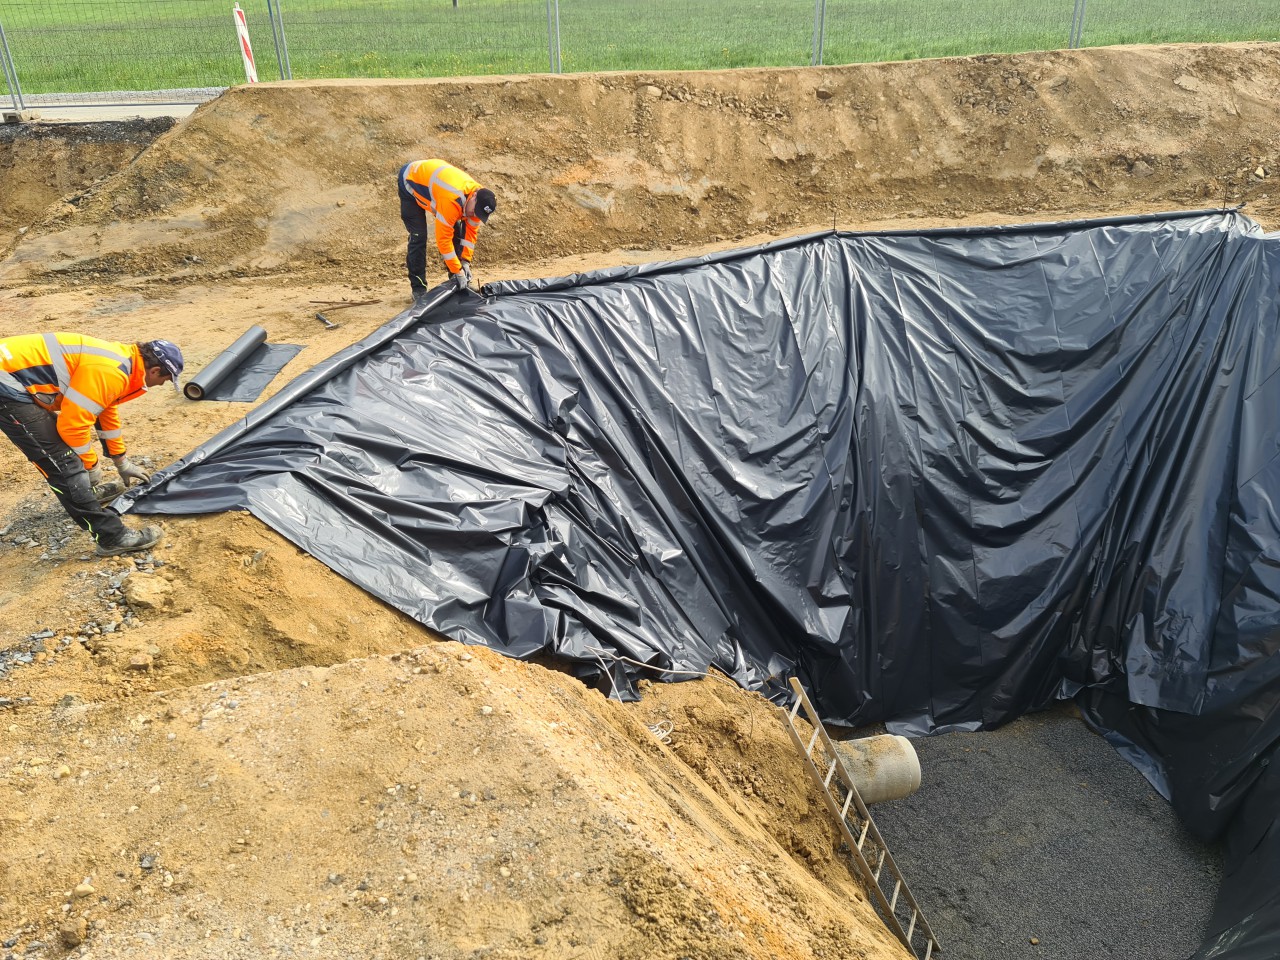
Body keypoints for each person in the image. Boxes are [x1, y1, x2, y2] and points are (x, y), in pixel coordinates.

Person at [0, 333, 183, 557]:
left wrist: (121, 461)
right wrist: (90, 466)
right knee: (63, 463)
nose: (160, 384)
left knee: (67, 458)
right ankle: (111, 537)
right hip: (6, 386)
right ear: (154, 371)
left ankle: (87, 494)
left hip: (9, 377)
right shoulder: (112, 371)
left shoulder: (123, 361)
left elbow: (105, 409)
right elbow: (72, 426)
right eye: (163, 380)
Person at [397, 158, 497, 301]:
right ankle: (418, 289)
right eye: (475, 212)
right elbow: (443, 240)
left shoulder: (479, 203)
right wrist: (458, 271)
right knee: (418, 236)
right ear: (473, 197)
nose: (475, 216)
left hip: (435, 184)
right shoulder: (452, 199)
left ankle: (455, 280)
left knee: (456, 232)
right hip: (411, 180)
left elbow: (470, 236)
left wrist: (465, 262)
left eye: (479, 214)